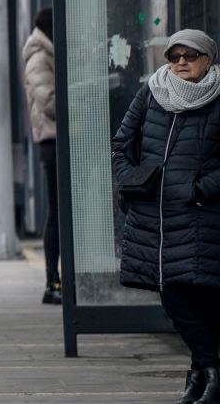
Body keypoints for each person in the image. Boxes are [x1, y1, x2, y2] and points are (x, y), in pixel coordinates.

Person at [112, 29, 220, 404]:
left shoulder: (218, 96)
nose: (180, 63)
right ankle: (208, 371)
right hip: (155, 218)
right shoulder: (152, 93)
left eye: (190, 56)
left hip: (201, 215)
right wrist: (130, 182)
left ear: (209, 59)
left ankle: (203, 374)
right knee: (172, 295)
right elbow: (122, 143)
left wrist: (202, 188)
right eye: (174, 56)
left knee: (203, 297)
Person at [23, 8, 61, 305]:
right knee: (58, 211)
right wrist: (84, 97)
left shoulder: (47, 51)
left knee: (62, 211)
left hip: (60, 138)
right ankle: (52, 280)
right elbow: (48, 100)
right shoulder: (39, 56)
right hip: (54, 139)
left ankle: (59, 278)